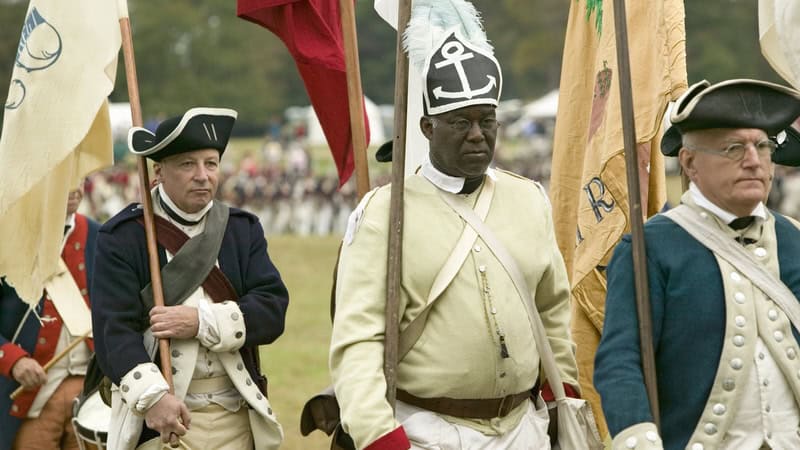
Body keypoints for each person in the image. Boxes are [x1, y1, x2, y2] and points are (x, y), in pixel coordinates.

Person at [329, 12, 579, 450]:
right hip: (428, 430)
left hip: (526, 429)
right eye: (461, 123)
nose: (477, 136)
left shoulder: (529, 201)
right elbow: (358, 342)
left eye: (487, 121)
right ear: (428, 128)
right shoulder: (384, 214)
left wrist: (564, 395)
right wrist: (378, 435)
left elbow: (553, 310)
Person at [594, 79, 800, 450]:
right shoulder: (649, 248)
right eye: (734, 148)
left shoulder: (795, 240)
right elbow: (621, 363)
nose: (753, 160)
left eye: (762, 146)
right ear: (689, 163)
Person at [91, 107, 289, 450]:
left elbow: (272, 310)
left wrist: (200, 321)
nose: (202, 175)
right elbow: (114, 331)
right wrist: (153, 399)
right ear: (158, 172)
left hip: (238, 418)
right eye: (187, 164)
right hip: (163, 423)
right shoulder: (122, 237)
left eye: (210, 163)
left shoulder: (242, 231)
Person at [0, 187, 99, 450]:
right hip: (31, 396)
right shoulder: (7, 236)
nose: (74, 187)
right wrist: (13, 359)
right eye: (63, 178)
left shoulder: (101, 236)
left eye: (78, 175)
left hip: (92, 392)